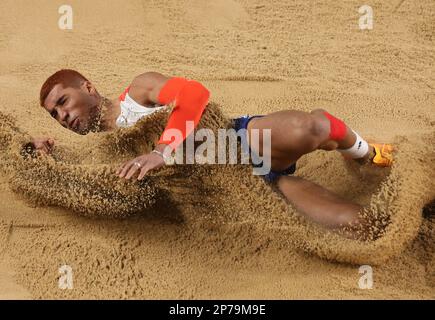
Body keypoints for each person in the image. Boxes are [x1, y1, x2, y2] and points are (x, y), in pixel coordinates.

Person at [33, 69, 393, 234]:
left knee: (313, 128)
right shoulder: (100, 151)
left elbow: (194, 95)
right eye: (55, 115)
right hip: (246, 194)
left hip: (232, 143)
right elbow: (84, 183)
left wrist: (163, 151)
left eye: (63, 102)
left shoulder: (138, 92)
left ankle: (366, 153)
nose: (63, 116)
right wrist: (41, 153)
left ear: (88, 87)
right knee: (362, 224)